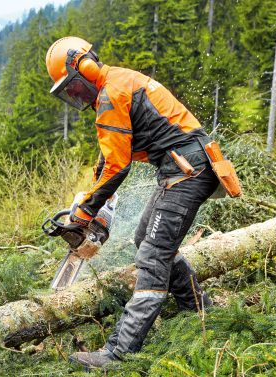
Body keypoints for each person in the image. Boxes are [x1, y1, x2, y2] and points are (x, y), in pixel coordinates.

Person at [45, 36, 221, 369]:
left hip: (187, 169)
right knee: (148, 242)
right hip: (184, 167)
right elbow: (108, 158)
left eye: (76, 88)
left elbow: (117, 166)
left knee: (152, 255)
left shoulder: (112, 92)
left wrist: (83, 214)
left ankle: (119, 352)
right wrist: (95, 202)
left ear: (85, 67)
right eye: (71, 92)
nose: (77, 95)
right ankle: (201, 314)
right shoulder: (116, 84)